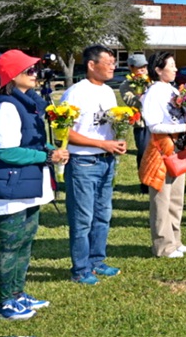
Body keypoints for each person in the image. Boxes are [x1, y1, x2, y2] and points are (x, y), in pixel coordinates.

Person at [0, 50, 67, 319]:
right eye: (29, 71)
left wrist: (51, 148)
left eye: (35, 70)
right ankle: (4, 300)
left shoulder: (27, 104)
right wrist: (48, 156)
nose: (35, 74)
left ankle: (17, 293)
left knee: (25, 242)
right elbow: (5, 151)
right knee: (9, 246)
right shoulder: (7, 106)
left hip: (29, 186)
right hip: (11, 188)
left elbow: (31, 141)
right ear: (12, 76)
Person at [61, 44, 127, 283]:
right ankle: (80, 270)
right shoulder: (76, 93)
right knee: (82, 219)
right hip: (83, 163)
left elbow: (110, 125)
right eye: (108, 62)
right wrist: (102, 145)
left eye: (113, 62)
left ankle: (96, 262)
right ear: (91, 64)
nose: (113, 66)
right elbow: (65, 133)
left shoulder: (108, 92)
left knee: (102, 215)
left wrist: (117, 140)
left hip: (106, 161)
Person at [139, 51, 186, 258]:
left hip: (178, 147)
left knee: (176, 198)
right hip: (162, 148)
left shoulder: (172, 89)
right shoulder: (154, 93)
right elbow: (154, 125)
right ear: (159, 70)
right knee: (162, 199)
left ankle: (175, 241)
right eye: (172, 65)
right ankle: (163, 246)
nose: (176, 69)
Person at [119, 53, 151, 194]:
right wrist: (142, 94)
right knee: (144, 152)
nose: (142, 69)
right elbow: (132, 101)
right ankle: (144, 183)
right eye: (139, 67)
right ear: (131, 67)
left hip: (157, 123)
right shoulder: (125, 85)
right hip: (142, 124)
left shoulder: (153, 81)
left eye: (144, 66)